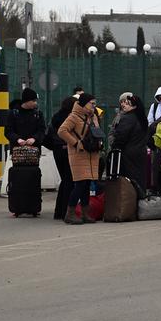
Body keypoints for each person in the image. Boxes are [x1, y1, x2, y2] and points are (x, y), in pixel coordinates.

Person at [58, 94, 102, 224]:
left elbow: (97, 132)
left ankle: (85, 213)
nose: (94, 106)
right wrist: (75, 143)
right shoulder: (74, 117)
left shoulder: (93, 116)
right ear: (83, 104)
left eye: (95, 103)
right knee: (80, 184)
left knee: (87, 184)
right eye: (91, 103)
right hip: (79, 154)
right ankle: (70, 213)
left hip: (92, 154)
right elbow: (62, 131)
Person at [46, 96, 77, 220]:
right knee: (69, 181)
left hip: (57, 151)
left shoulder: (56, 117)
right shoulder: (70, 118)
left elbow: (49, 135)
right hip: (67, 150)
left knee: (65, 180)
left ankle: (59, 211)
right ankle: (65, 210)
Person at [111, 95, 149, 190]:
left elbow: (120, 137)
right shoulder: (142, 118)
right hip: (140, 152)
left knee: (128, 181)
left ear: (134, 106)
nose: (124, 105)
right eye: (123, 103)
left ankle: (129, 201)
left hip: (128, 155)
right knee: (139, 179)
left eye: (127, 104)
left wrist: (114, 146)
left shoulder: (127, 118)